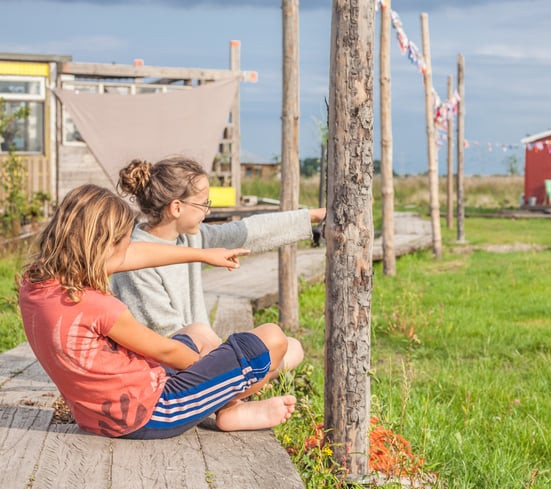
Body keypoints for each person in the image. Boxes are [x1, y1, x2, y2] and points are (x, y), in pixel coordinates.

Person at [19, 184, 298, 439]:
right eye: (124, 244)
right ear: (101, 249)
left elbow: (135, 255)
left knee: (197, 331)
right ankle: (227, 408)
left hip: (98, 414)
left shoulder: (37, 285)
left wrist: (202, 255)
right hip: (155, 413)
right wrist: (210, 367)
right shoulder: (96, 306)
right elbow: (167, 353)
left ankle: (229, 405)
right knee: (273, 340)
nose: (128, 252)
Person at [112, 157, 325, 372]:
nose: (208, 212)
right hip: (167, 368)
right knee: (264, 351)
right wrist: (223, 364)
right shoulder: (135, 260)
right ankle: (230, 393)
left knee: (292, 348)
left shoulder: (191, 237)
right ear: (176, 207)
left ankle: (233, 388)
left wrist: (313, 216)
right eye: (203, 204)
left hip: (203, 352)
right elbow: (165, 341)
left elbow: (248, 231)